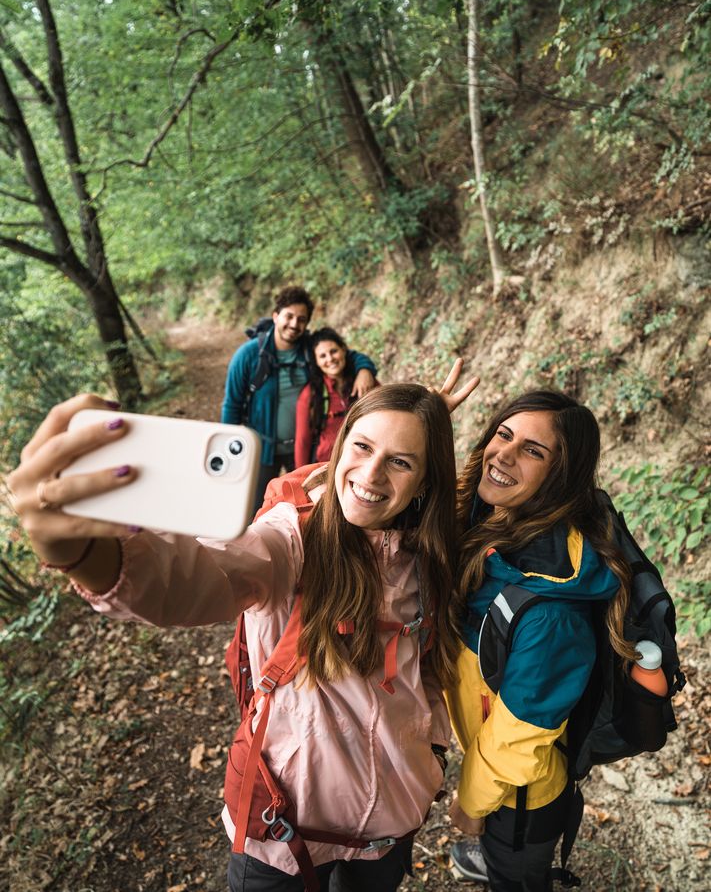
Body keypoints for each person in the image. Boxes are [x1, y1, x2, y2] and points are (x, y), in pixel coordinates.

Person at [9, 367, 479, 892]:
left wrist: (419, 421)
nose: (370, 475)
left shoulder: (431, 554)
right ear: (341, 445)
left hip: (387, 831)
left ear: (426, 480)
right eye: (362, 447)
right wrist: (87, 555)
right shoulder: (293, 539)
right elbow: (200, 578)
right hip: (282, 837)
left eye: (398, 462)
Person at [446, 390, 636, 892]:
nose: (503, 454)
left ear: (561, 476)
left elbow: (520, 737)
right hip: (496, 776)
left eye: (533, 450)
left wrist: (470, 802)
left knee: (517, 878)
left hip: (520, 798)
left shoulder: (551, 610)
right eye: (503, 434)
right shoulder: (495, 524)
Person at [221, 286, 377, 511]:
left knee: (305, 504)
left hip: (305, 446)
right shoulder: (248, 355)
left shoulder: (309, 349)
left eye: (301, 319)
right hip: (262, 448)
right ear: (276, 316)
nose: (294, 324)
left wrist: (364, 369)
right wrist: (230, 452)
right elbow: (231, 405)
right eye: (289, 316)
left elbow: (346, 354)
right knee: (255, 508)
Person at [294, 327, 361, 468]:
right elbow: (302, 442)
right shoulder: (310, 395)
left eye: (334, 351)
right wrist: (300, 479)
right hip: (326, 468)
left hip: (361, 465)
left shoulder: (362, 382)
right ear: (316, 362)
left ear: (343, 349)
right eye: (322, 356)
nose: (330, 359)